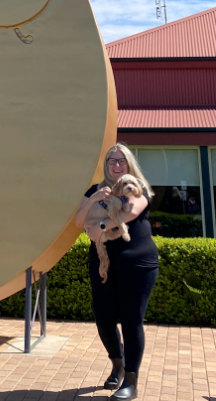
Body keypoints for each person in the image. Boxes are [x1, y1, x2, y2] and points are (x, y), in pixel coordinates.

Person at [75, 144, 159, 400]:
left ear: (129, 163)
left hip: (137, 262)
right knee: (104, 318)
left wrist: (100, 225)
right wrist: (93, 199)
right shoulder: (95, 190)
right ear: (106, 164)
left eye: (121, 160)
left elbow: (130, 212)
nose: (116, 165)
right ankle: (118, 364)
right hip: (103, 263)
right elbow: (79, 221)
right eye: (112, 160)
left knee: (132, 320)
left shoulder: (136, 186)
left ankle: (131, 381)